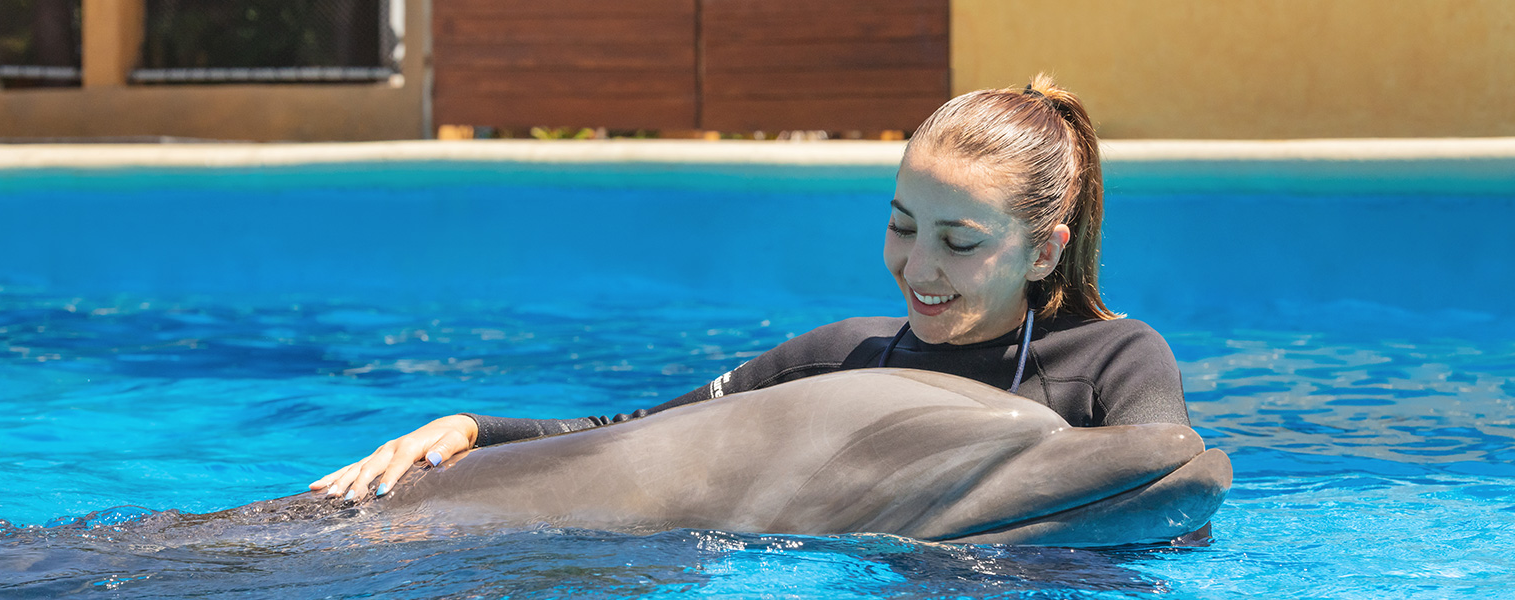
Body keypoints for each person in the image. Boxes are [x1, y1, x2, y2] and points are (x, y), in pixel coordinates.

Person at [310, 75, 1191, 502]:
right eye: (902, 224)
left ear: (1044, 254)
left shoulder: (1114, 356)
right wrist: (473, 427)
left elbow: (1171, 477)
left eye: (960, 242)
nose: (919, 266)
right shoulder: (840, 357)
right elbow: (640, 435)